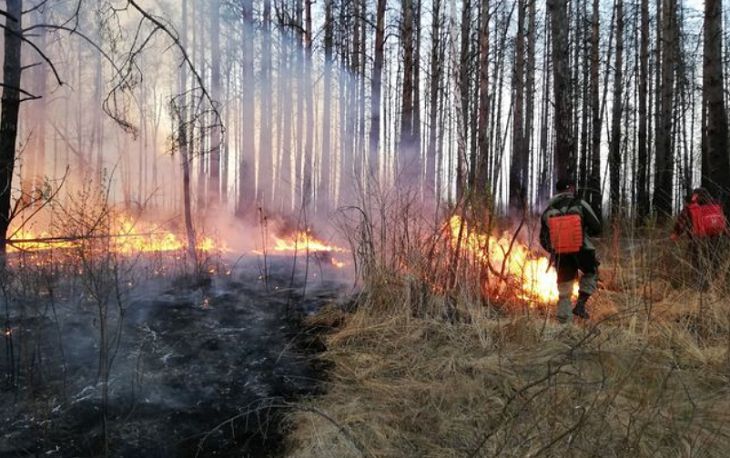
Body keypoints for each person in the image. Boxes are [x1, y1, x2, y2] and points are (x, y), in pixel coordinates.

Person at [539, 178, 602, 323]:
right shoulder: (580, 203)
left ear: (558, 191)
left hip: (561, 253)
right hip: (582, 249)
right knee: (591, 271)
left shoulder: (548, 210)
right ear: (571, 189)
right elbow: (597, 226)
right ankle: (580, 305)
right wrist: (585, 232)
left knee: (564, 289)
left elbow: (543, 239)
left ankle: (563, 325)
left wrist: (555, 248)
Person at [671, 187, 727, 289]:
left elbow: (681, 222)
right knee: (715, 263)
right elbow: (723, 222)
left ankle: (700, 287)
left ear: (695, 196)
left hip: (698, 241)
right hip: (716, 240)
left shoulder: (691, 207)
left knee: (698, 264)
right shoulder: (716, 205)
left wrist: (675, 234)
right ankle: (715, 286)